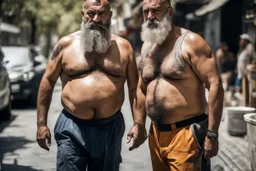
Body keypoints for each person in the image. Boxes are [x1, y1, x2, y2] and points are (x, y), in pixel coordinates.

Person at [36, 0, 147, 171]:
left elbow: (135, 88)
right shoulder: (65, 45)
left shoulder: (124, 48)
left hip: (110, 127)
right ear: (83, 14)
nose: (96, 19)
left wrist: (139, 124)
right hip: (71, 126)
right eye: (91, 13)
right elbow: (48, 82)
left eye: (102, 13)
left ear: (110, 15)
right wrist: (41, 124)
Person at [131, 0, 224, 170]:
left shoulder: (191, 42)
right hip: (157, 134)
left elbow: (215, 84)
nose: (150, 16)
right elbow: (141, 88)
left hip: (186, 134)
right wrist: (138, 124)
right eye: (146, 12)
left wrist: (212, 134)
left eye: (156, 10)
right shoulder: (146, 47)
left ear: (170, 13)